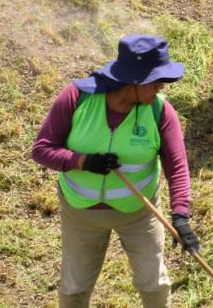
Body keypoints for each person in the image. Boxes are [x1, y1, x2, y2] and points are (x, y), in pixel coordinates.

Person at [31, 35, 197, 308]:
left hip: (138, 213)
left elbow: (177, 167)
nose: (162, 87)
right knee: (74, 289)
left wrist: (180, 217)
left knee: (154, 285)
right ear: (133, 81)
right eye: (156, 81)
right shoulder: (76, 98)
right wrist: (82, 161)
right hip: (80, 213)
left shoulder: (160, 111)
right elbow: (42, 149)